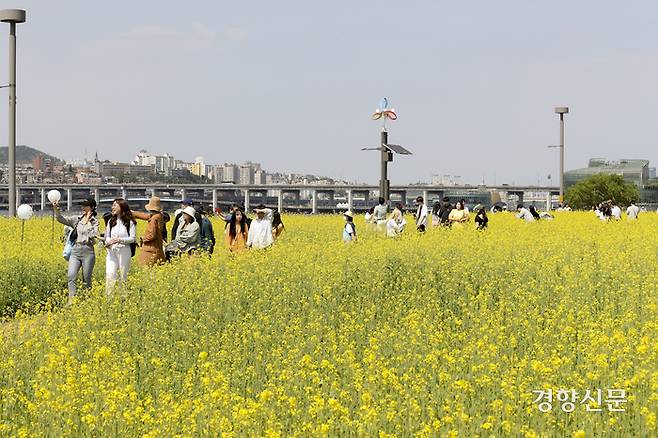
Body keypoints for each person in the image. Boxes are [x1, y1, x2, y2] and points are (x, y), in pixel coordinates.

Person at [54, 197, 100, 304]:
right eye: (82, 205)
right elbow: (61, 219)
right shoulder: (77, 219)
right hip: (76, 250)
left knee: (86, 278)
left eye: (86, 205)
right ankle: (72, 301)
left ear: (92, 207)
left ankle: (86, 300)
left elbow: (93, 235)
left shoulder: (94, 222)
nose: (83, 207)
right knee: (71, 275)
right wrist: (56, 209)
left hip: (88, 251)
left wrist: (88, 221)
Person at [104, 198, 136, 295]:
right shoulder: (111, 221)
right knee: (110, 274)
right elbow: (107, 236)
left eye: (115, 205)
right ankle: (109, 297)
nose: (112, 207)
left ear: (122, 207)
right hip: (111, 251)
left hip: (124, 251)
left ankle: (123, 296)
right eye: (112, 205)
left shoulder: (129, 222)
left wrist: (120, 240)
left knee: (123, 275)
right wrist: (110, 241)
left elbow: (133, 238)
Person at [135, 196, 167, 266]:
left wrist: (143, 239)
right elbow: (146, 216)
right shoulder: (159, 216)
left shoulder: (154, 219)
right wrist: (133, 213)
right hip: (158, 249)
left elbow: (151, 235)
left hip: (150, 250)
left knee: (147, 268)